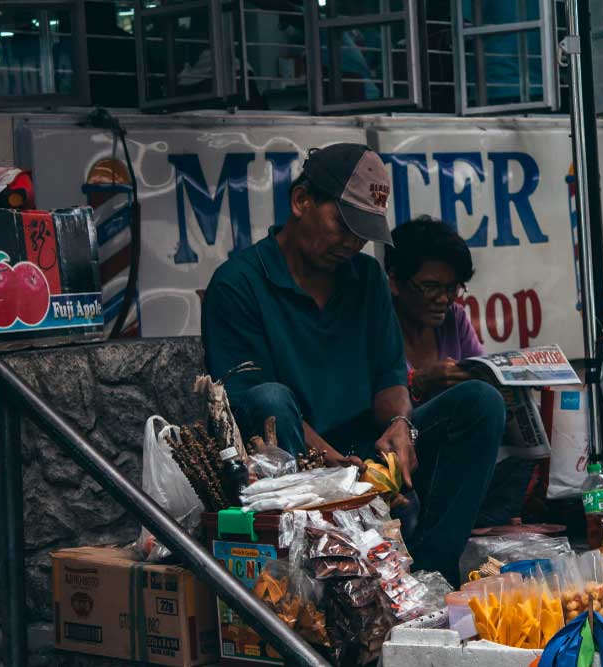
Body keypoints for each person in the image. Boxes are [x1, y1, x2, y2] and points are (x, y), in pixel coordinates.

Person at [201, 144, 505, 583]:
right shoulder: (238, 285)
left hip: (364, 456)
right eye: (343, 225)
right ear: (302, 201)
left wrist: (401, 424)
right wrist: (337, 468)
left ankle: (431, 573)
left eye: (362, 232)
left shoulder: (365, 279)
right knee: (270, 397)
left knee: (480, 401)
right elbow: (258, 406)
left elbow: (388, 379)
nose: (351, 243)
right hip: (293, 469)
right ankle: (323, 577)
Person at [384, 217, 536, 527]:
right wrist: (421, 382)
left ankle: (475, 526)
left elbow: (481, 375)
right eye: (430, 287)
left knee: (520, 451)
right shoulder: (379, 324)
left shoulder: (454, 318)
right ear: (395, 282)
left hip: (455, 452)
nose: (443, 298)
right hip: (405, 456)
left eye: (451, 287)